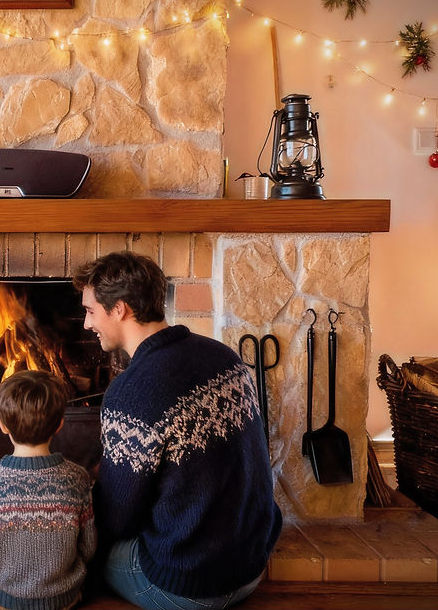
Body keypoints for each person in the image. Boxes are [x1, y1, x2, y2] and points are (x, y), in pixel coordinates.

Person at [72, 251, 282, 610]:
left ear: (119, 309)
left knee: (82, 552)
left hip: (189, 585)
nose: (86, 323)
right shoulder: (225, 357)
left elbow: (117, 519)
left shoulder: (131, 392)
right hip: (251, 563)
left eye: (91, 311)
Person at [0, 370, 96, 610]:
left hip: (1, 595)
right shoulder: (78, 478)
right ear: (60, 424)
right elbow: (88, 547)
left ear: (3, 426)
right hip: (62, 597)